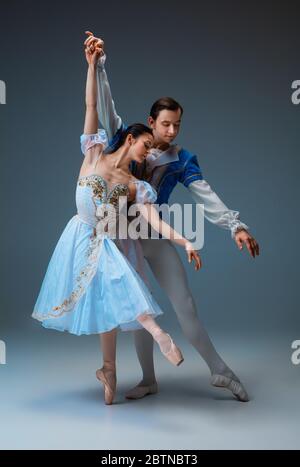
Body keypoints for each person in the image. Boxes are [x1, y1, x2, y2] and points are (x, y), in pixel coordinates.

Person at [83, 32, 260, 402]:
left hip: (154, 235)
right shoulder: (128, 140)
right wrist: (99, 64)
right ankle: (148, 379)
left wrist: (235, 226)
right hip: (120, 238)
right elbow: (104, 105)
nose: (172, 131)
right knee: (137, 311)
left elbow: (204, 193)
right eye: (165, 124)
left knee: (184, 305)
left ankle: (221, 372)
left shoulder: (181, 159)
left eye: (177, 124)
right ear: (151, 122)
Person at [32, 40, 201, 406]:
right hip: (79, 236)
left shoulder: (135, 185)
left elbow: (154, 220)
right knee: (106, 301)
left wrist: (186, 241)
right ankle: (119, 361)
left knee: (117, 288)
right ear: (130, 139)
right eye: (145, 147)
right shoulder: (93, 152)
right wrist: (92, 65)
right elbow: (92, 105)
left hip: (107, 240)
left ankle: (144, 343)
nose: (148, 154)